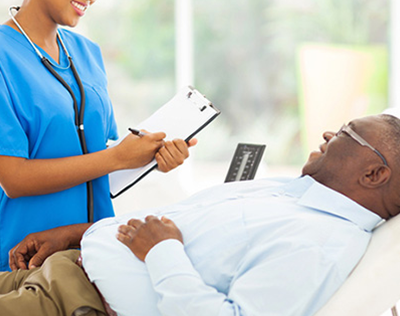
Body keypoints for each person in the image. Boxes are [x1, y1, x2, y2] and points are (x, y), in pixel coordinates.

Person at [2, 113, 400, 316]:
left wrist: (163, 253)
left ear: (374, 173)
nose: (330, 134)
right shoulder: (293, 193)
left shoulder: (319, 246)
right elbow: (171, 226)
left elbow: (164, 244)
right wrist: (77, 234)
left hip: (74, 302)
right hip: (64, 265)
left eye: (347, 133)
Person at [0, 0, 195, 272]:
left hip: (94, 260)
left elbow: (101, 159)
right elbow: (12, 178)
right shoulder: (3, 56)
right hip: (25, 267)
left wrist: (152, 155)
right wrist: (118, 157)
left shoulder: (88, 54)